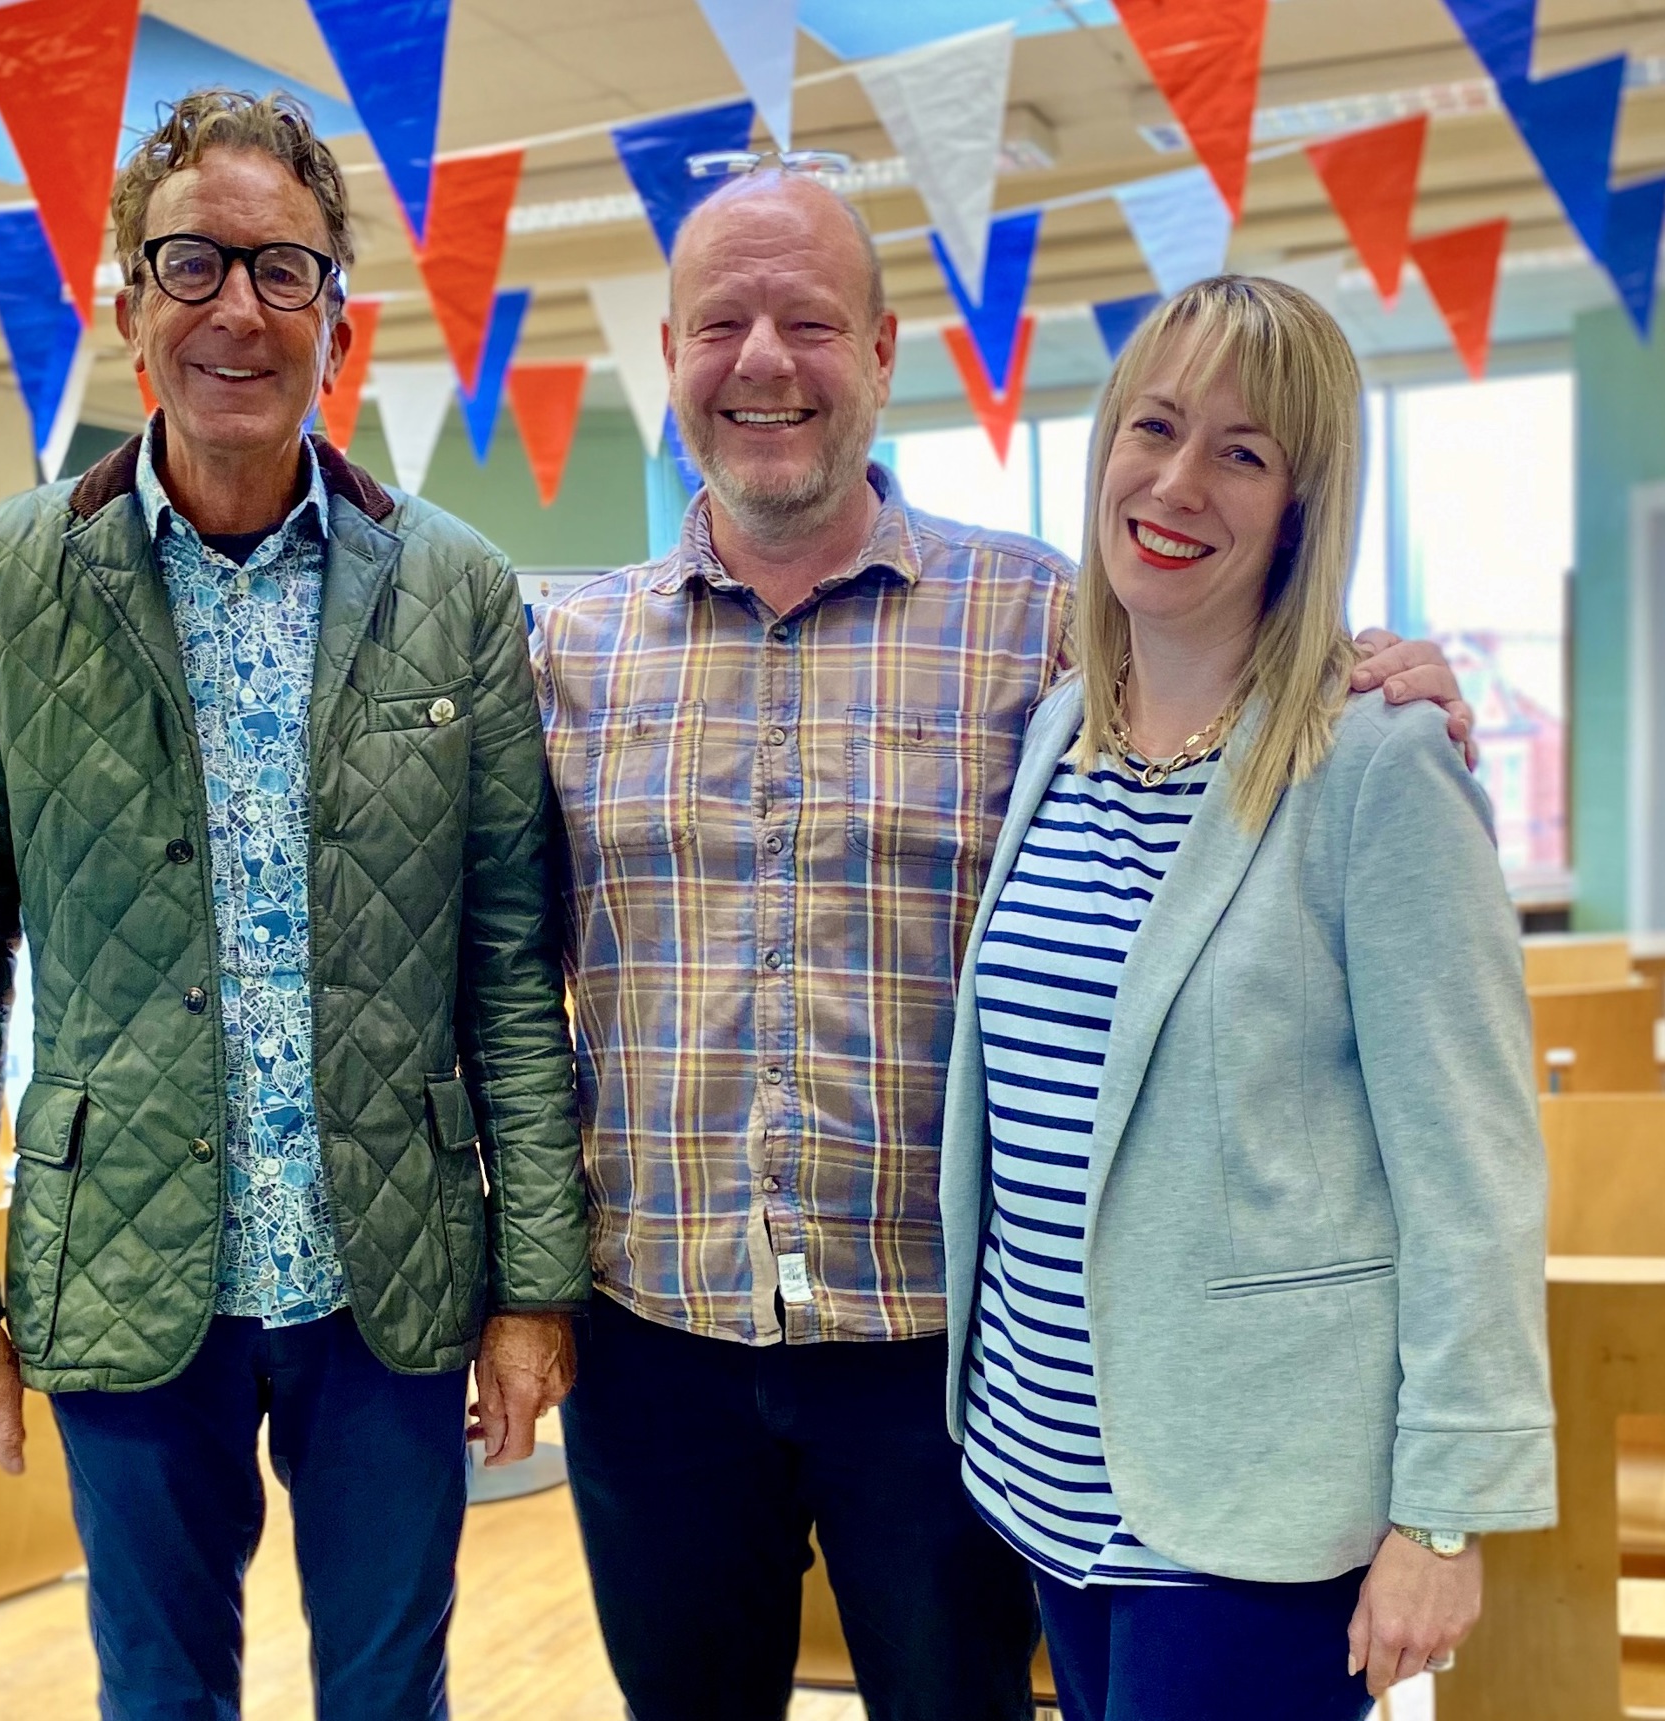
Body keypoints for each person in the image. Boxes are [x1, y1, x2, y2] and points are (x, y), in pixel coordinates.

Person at [530, 167, 1475, 1721]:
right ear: (670, 351)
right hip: (658, 1344)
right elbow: (509, 978)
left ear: (887, 350)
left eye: (812, 320)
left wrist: (1380, 666)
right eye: (723, 321)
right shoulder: (564, 652)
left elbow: (1236, 663)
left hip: (943, 1357)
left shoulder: (1039, 620)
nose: (765, 357)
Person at [0, 90, 586, 1720]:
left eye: (284, 268)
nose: (237, 308)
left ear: (343, 320)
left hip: (388, 1269)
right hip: (123, 1260)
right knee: (159, 1693)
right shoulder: (2, 581)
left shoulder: (456, 589)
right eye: (192, 263)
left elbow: (505, 958)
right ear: (127, 306)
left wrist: (535, 1281)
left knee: (391, 1693)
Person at [938, 274, 1556, 1721]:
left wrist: (1445, 1511)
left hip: (1252, 1509)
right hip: (1043, 1475)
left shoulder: (1378, 765)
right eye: (1153, 426)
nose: (1176, 480)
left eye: (1243, 450)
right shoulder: (1058, 736)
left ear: (1300, 503)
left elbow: (1472, 1172)